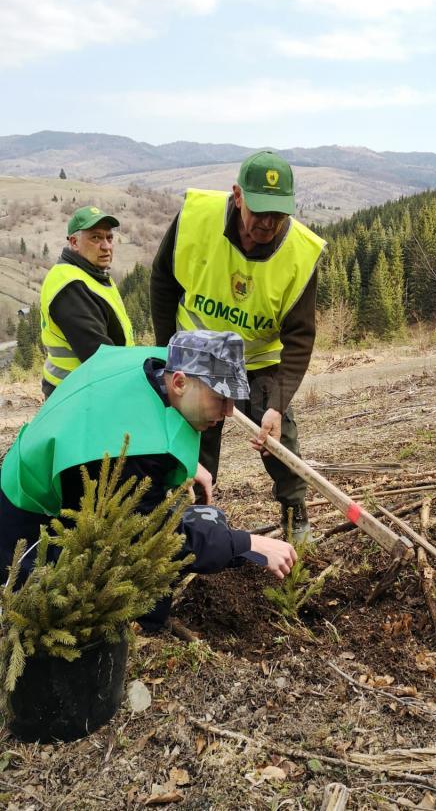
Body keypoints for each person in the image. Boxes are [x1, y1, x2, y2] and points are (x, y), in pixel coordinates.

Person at [0, 330, 297, 629]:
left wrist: (189, 462)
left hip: (45, 484)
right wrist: (246, 544)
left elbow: (129, 419)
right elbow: (147, 534)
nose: (229, 411)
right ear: (179, 382)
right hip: (29, 532)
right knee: (145, 559)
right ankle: (130, 626)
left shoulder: (153, 365)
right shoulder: (129, 456)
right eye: (220, 397)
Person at [150, 150, 326, 538]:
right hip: (199, 357)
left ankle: (296, 519)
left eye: (277, 214)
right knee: (193, 440)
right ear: (237, 195)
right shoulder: (196, 219)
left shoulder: (301, 253)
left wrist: (277, 405)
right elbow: (163, 281)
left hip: (260, 360)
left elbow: (300, 336)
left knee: (281, 440)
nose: (267, 223)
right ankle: (191, 523)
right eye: (259, 211)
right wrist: (169, 354)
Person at [39, 205, 135, 398]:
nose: (106, 246)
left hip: (87, 386)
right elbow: (98, 355)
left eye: (109, 238)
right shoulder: (70, 286)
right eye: (96, 238)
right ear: (74, 242)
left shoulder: (92, 274)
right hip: (75, 393)